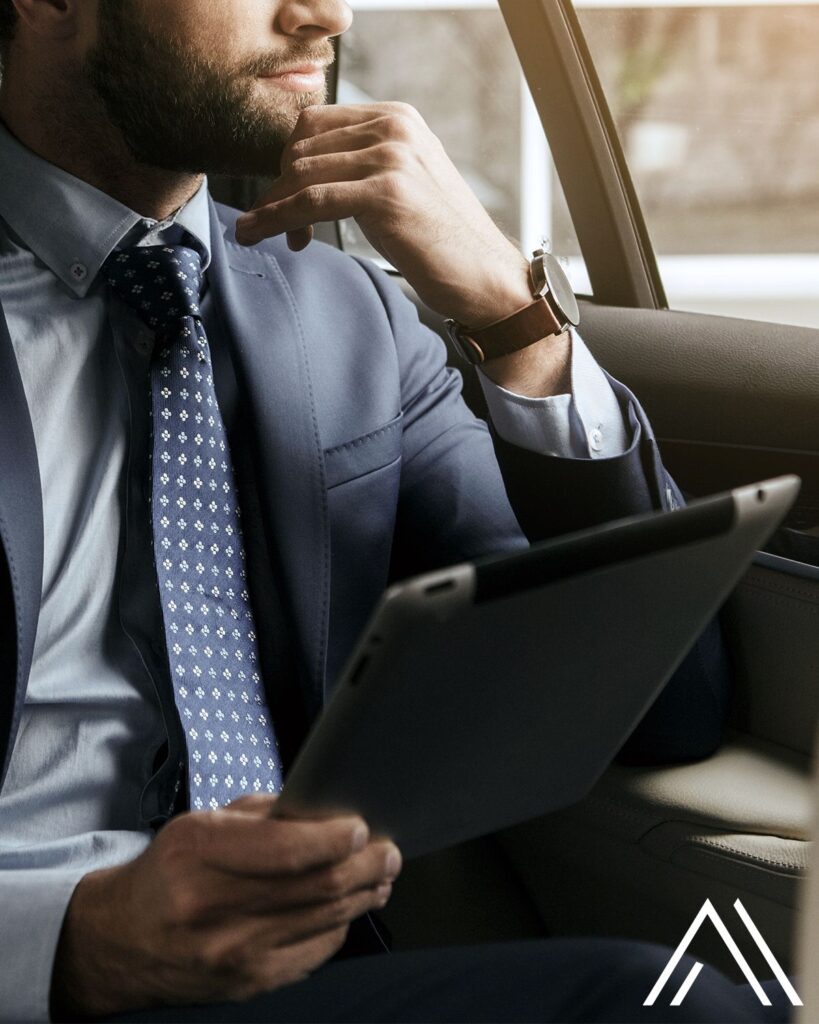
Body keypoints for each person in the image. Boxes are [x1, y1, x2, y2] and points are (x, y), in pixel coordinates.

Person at [0, 0, 754, 1021]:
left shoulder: (346, 313)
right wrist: (65, 942)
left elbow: (662, 702)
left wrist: (508, 313)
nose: (325, 12)